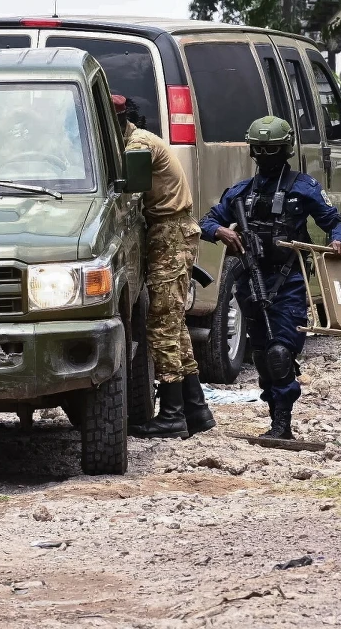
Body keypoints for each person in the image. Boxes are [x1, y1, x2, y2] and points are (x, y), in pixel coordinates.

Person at [200, 116, 341, 439]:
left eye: (271, 150)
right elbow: (206, 221)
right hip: (251, 285)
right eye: (261, 150)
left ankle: (283, 425)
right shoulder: (241, 194)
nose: (266, 157)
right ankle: (275, 417)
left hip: (288, 285)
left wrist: (338, 240)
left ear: (283, 151)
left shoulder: (304, 189)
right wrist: (222, 233)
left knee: (280, 354)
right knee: (260, 355)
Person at [117, 94, 215, 439]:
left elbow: (126, 196)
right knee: (174, 324)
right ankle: (195, 409)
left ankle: (172, 414)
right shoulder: (130, 139)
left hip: (169, 231)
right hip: (167, 231)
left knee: (161, 324)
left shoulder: (136, 145)